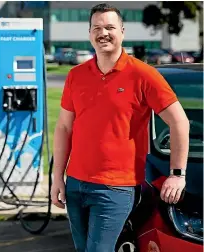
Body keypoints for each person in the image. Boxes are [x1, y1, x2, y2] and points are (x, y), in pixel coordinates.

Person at [51, 3, 189, 252]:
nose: (103, 32)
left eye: (110, 27)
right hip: (75, 184)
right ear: (90, 34)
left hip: (116, 188)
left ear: (122, 32)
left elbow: (179, 122)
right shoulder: (76, 75)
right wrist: (57, 178)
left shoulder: (143, 75)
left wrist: (177, 174)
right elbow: (64, 128)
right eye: (97, 28)